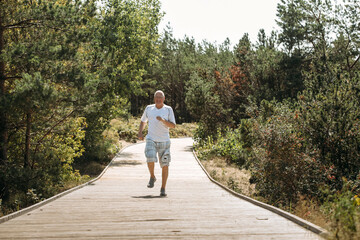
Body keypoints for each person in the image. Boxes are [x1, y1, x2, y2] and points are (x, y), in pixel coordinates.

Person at [138, 90, 176, 197]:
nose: (158, 99)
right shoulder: (149, 108)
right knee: (150, 157)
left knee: (165, 164)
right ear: (154, 99)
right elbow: (143, 121)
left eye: (160, 97)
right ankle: (152, 176)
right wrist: (140, 132)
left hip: (164, 141)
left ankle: (163, 188)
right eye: (156, 97)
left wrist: (163, 121)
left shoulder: (168, 109)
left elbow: (173, 125)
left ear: (164, 99)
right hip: (151, 139)